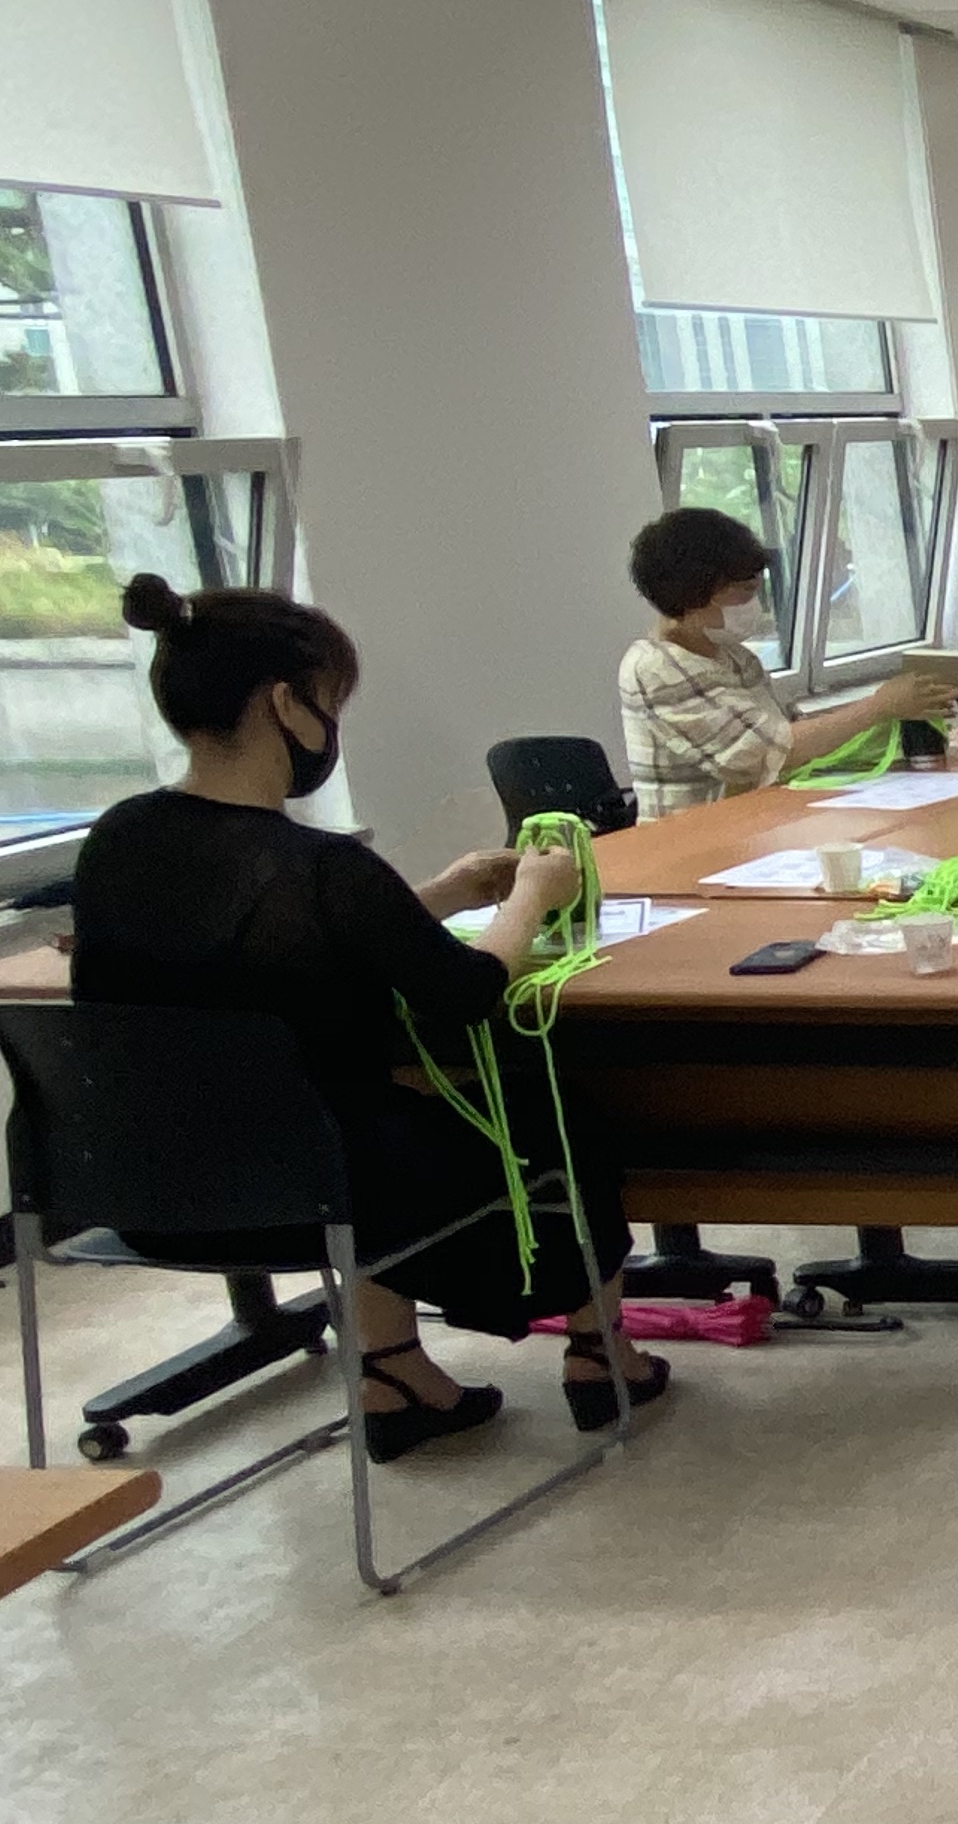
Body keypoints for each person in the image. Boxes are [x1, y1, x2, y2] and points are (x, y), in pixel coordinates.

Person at [71, 578, 667, 1459]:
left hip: (140, 1186)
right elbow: (464, 992)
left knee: (364, 1119)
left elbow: (279, 948)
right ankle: (599, 1352)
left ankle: (392, 1375)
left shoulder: (120, 839)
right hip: (317, 1187)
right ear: (285, 704)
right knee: (553, 1115)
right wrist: (532, 897)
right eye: (329, 702)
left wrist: (445, 892)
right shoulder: (318, 865)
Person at [616, 507, 958, 816]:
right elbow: (765, 752)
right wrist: (878, 708)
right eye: (745, 591)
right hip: (688, 841)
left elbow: (796, 738)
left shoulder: (735, 656)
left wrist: (896, 716)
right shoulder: (657, 667)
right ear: (695, 593)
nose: (756, 604)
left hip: (752, 822)